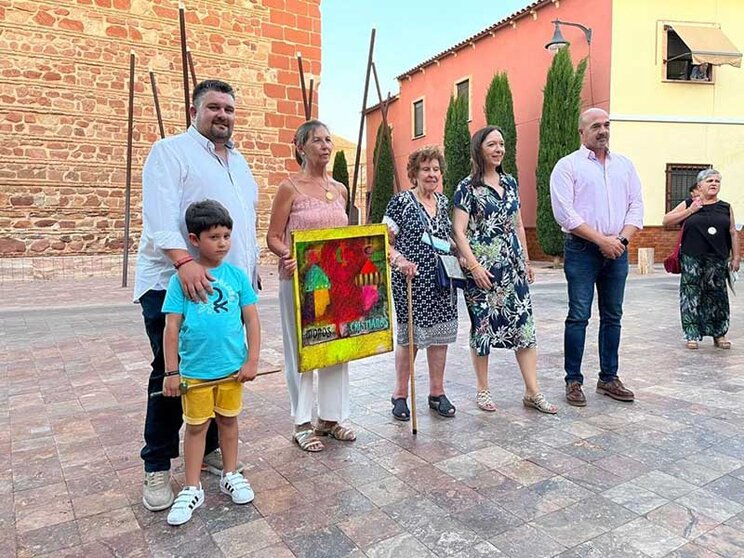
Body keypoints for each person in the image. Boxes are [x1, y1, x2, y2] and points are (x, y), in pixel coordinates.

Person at [133, 79, 259, 511]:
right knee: (172, 377)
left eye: (229, 108)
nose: (222, 115)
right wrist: (184, 263)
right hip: (174, 283)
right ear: (195, 111)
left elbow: (243, 223)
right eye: (214, 107)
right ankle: (156, 467)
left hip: (224, 289)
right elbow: (159, 217)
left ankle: (203, 453)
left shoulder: (238, 162)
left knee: (219, 369)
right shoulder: (170, 152)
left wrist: (250, 273)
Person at [162, 200, 261, 526]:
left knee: (229, 423)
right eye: (214, 236)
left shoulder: (236, 277)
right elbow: (171, 327)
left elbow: (252, 319)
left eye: (226, 236)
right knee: (196, 428)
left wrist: (252, 360)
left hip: (232, 371)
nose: (222, 243)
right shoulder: (182, 281)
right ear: (194, 239)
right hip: (196, 372)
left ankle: (230, 474)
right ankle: (192, 488)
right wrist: (172, 372)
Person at [452, 126, 557, 414]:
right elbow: (458, 231)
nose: (499, 149)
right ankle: (483, 390)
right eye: (492, 144)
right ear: (479, 149)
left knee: (524, 327)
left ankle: (532, 391)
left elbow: (518, 224)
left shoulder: (510, 182)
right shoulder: (467, 187)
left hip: (512, 268)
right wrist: (473, 266)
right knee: (483, 328)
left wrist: (525, 261)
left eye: (502, 144)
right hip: (482, 271)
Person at [266, 119, 356, 452]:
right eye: (317, 140)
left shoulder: (341, 190)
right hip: (299, 281)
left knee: (337, 346)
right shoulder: (290, 188)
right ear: (301, 146)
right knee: (302, 350)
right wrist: (288, 254)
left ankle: (331, 418)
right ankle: (302, 422)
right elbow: (273, 237)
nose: (325, 145)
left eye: (328, 140)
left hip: (337, 283)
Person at [550, 107, 644, 407]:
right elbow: (565, 213)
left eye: (606, 125)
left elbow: (636, 206)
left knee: (613, 316)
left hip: (618, 248)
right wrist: (601, 240)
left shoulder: (625, 166)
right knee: (578, 316)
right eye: (595, 126)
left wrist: (620, 240)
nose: (602, 130)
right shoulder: (568, 167)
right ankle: (573, 381)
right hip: (582, 250)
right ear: (582, 132)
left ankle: (608, 378)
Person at [382, 146, 458, 421]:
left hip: (442, 282)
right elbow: (384, 243)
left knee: (441, 338)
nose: (432, 174)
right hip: (411, 281)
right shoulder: (400, 203)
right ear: (414, 173)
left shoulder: (443, 201)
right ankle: (400, 394)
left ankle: (437, 392)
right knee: (410, 338)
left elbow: (448, 238)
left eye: (436, 169)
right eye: (426, 169)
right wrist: (400, 261)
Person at [662, 169, 740, 349]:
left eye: (717, 181)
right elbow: (667, 220)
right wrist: (690, 210)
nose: (714, 184)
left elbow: (733, 232)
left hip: (717, 258)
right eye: (709, 181)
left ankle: (719, 334)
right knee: (691, 295)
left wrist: (736, 256)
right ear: (699, 186)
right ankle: (692, 335)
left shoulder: (725, 207)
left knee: (717, 297)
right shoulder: (690, 203)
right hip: (692, 258)